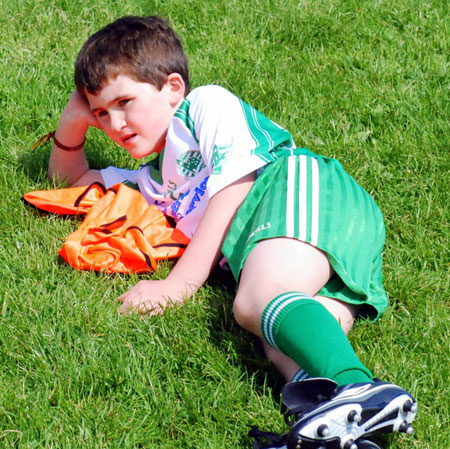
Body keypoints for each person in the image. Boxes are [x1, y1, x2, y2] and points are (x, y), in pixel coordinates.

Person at [47, 15, 417, 448]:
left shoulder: (204, 106)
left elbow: (237, 182)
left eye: (124, 102)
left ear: (172, 88)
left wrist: (179, 284)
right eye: (101, 113)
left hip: (296, 190)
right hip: (289, 236)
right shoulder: (151, 180)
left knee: (252, 302)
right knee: (277, 344)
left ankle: (357, 388)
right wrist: (72, 120)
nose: (114, 124)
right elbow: (70, 181)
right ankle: (343, 418)